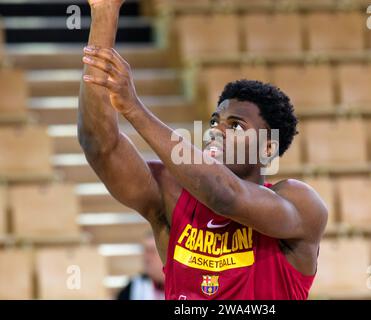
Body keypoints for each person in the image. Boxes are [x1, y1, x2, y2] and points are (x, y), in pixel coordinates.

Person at [79, 0, 327, 300]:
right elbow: (100, 145)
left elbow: (225, 195)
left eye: (235, 126)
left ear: (268, 146)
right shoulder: (171, 197)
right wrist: (105, 14)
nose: (215, 131)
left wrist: (134, 108)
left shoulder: (300, 204)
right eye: (215, 121)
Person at [117, 234, 165, 300]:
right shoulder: (133, 288)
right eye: (145, 251)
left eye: (152, 251)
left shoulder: (180, 286)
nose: (146, 258)